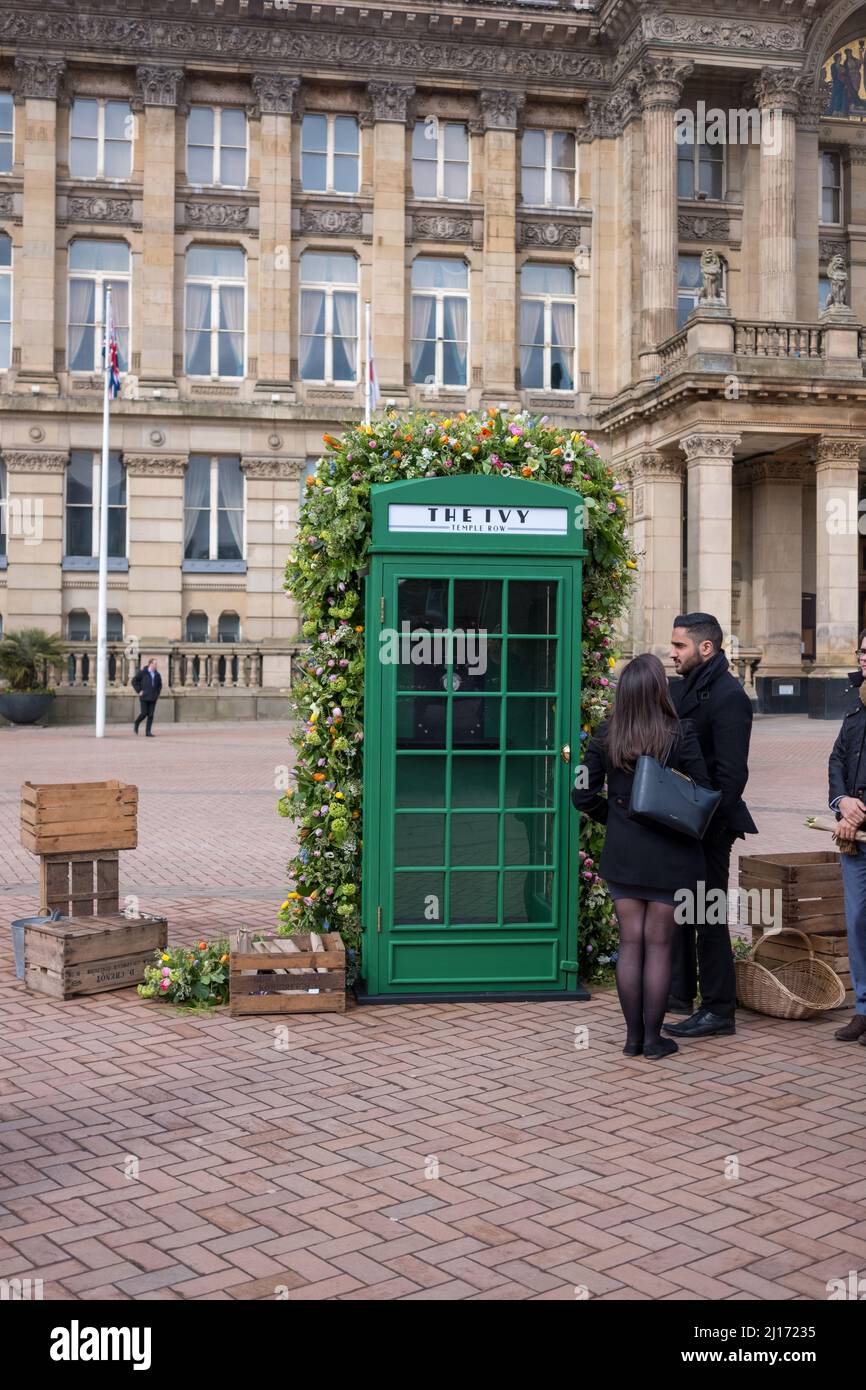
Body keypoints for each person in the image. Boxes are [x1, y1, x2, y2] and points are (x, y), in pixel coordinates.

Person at [573, 652, 712, 1060]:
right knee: (660, 945)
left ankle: (632, 1039)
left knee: (630, 943)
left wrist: (614, 816)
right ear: (659, 689)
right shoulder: (680, 733)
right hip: (670, 851)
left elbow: (581, 793)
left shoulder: (605, 734)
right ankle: (654, 1040)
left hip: (624, 853)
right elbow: (703, 791)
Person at [664, 613, 757, 1041]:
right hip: (683, 822)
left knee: (708, 913)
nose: (672, 652)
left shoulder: (729, 696)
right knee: (684, 909)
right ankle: (681, 993)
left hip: (711, 825)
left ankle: (719, 1009)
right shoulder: (686, 687)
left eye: (679, 646)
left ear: (706, 648)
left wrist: (706, 823)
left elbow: (733, 778)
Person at [827, 630, 866, 1045]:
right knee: (857, 922)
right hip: (853, 836)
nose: (865, 659)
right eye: (863, 651)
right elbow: (837, 757)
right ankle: (863, 1010)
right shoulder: (857, 705)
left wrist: (860, 811)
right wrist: (842, 803)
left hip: (859, 822)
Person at [132, 658, 162, 737]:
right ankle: (137, 722)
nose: (156, 665)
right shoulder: (143, 673)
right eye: (155, 664)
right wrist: (139, 691)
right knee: (144, 713)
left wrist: (157, 694)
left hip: (153, 698)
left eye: (156, 664)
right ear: (150, 664)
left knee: (151, 715)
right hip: (144, 697)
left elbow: (159, 685)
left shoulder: (157, 675)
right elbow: (134, 681)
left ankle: (148, 732)